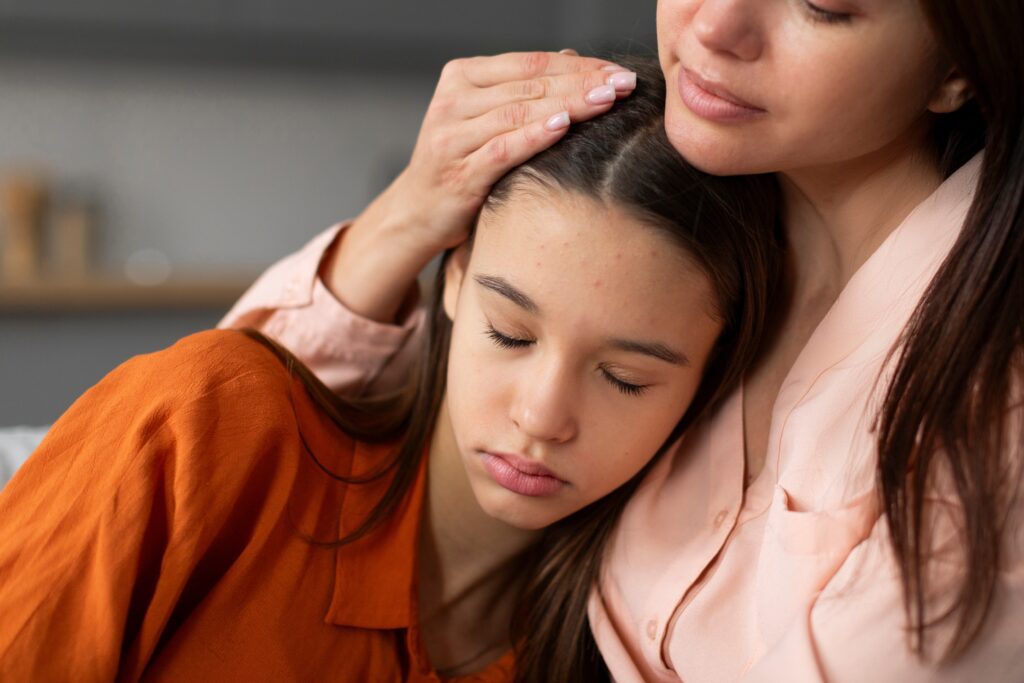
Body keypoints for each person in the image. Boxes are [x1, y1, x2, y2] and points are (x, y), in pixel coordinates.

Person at [219, 1, 1024, 680]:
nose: (713, 26)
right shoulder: (682, 245)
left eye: (820, 3)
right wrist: (409, 214)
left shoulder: (990, 397)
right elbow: (233, 441)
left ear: (959, 62)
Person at [0, 61, 780, 682]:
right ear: (453, 279)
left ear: (708, 386)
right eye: (510, 333)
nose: (543, 416)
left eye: (625, 379)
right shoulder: (209, 423)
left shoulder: (631, 653)